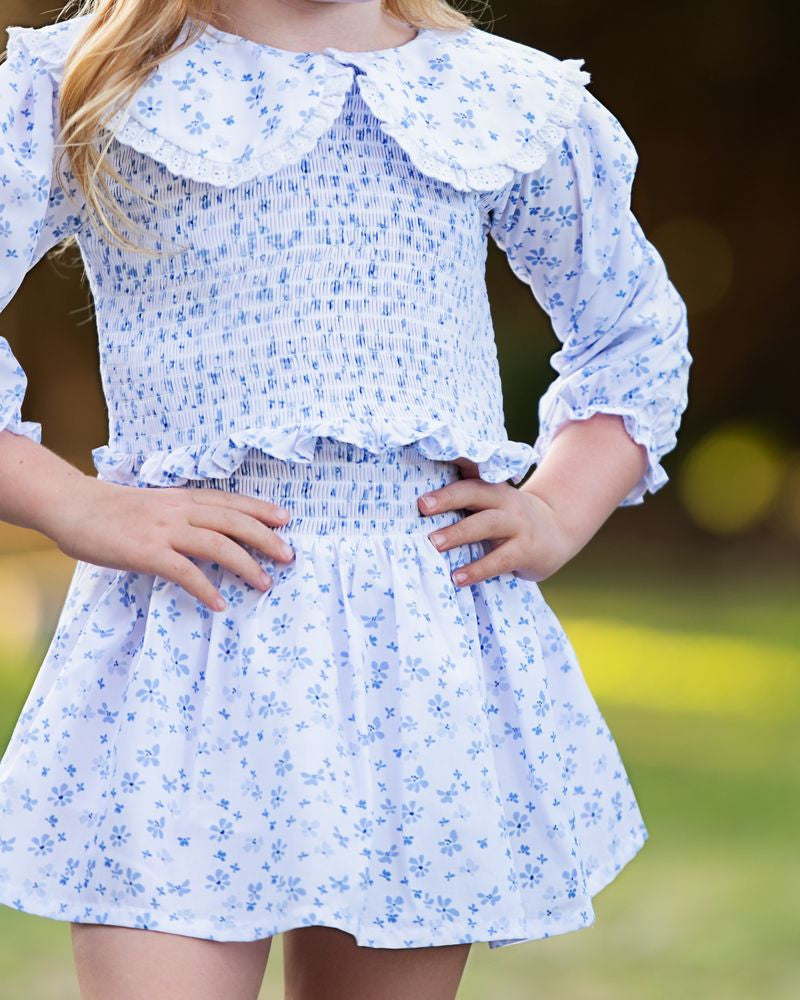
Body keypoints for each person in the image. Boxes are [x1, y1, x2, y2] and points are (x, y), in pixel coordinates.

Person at [0, 1, 692, 998]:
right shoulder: (91, 84)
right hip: (186, 650)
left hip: (413, 648)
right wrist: (79, 507)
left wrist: (556, 509)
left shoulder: (489, 94)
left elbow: (629, 331)